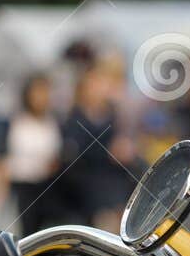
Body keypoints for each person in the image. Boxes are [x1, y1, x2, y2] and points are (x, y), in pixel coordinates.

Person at [58, 64, 136, 232]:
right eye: (94, 84)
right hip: (86, 186)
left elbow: (124, 146)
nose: (99, 89)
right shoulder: (73, 118)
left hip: (114, 183)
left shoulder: (114, 116)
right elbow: (74, 155)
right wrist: (108, 150)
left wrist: (124, 148)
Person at [0, 74, 60, 235]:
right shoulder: (16, 122)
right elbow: (1, 158)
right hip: (20, 189)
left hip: (46, 188)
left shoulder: (54, 123)